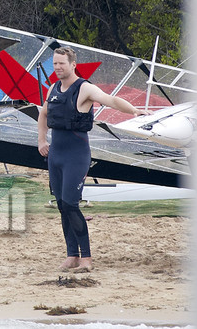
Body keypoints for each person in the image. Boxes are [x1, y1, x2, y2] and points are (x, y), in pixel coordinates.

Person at [38, 45, 137, 271]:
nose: (58, 67)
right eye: (55, 63)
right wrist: (41, 141)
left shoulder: (84, 88)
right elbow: (43, 114)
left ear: (73, 65)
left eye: (62, 63)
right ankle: (71, 255)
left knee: (72, 204)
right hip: (56, 155)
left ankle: (87, 258)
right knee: (62, 205)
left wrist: (134, 111)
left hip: (76, 155)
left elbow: (110, 100)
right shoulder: (53, 88)